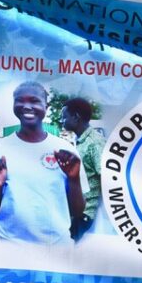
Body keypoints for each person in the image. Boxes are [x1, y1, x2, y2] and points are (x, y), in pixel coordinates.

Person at [0, 82, 85, 245]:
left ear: (46, 106)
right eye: (20, 100)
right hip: (10, 245)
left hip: (56, 246)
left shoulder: (65, 149)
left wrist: (74, 179)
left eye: (34, 101)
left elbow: (77, 211)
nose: (26, 106)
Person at [59, 96, 104, 238]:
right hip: (77, 212)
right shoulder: (80, 141)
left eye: (64, 117)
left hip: (87, 216)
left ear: (76, 117)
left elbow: (108, 179)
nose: (61, 121)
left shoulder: (95, 143)